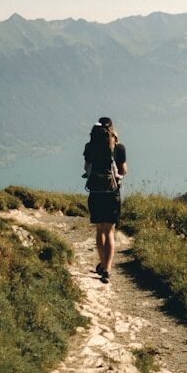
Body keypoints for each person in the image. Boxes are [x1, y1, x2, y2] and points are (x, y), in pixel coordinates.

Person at [83, 117, 127, 283]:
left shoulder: (90, 147)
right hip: (112, 193)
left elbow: (86, 167)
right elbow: (123, 170)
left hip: (95, 193)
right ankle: (107, 269)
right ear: (112, 129)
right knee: (110, 231)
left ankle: (102, 264)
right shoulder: (119, 147)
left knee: (99, 230)